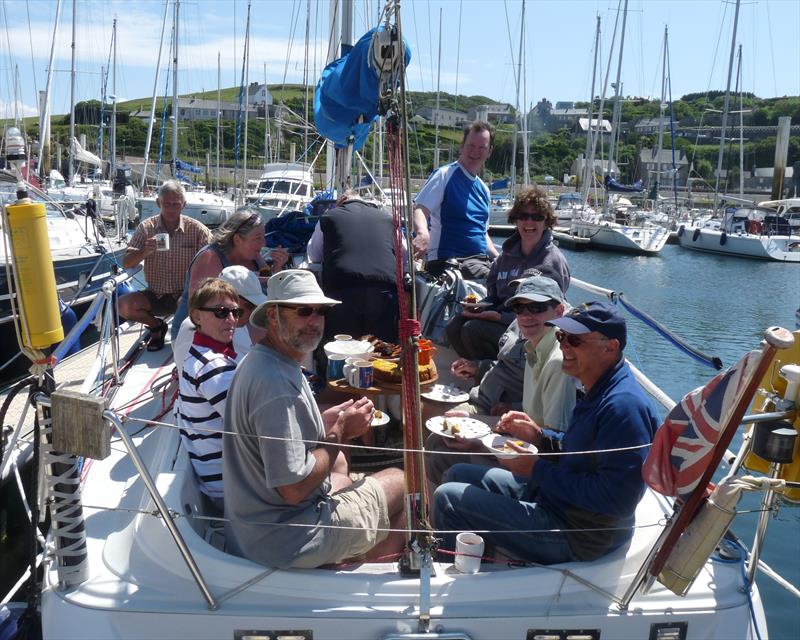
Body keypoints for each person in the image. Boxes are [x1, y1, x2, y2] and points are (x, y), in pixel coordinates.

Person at [434, 301, 658, 565]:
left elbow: (616, 500)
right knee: (459, 472)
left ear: (609, 347)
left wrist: (536, 469)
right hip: (558, 502)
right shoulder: (597, 386)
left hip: (580, 534)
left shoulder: (624, 408)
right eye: (561, 337)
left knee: (447, 498)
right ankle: (482, 558)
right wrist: (539, 437)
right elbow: (583, 453)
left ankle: (455, 580)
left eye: (574, 340)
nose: (563, 346)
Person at [223, 269, 406, 569]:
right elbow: (293, 490)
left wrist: (323, 422)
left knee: (342, 472)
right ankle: (365, 569)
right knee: (406, 480)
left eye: (320, 311)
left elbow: (279, 438)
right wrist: (340, 431)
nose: (314, 321)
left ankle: (351, 554)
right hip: (287, 539)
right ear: (272, 316)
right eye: (303, 310)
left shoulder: (263, 361)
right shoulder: (276, 385)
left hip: (255, 527)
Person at [425, 275, 575, 486]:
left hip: (536, 468)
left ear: (559, 311)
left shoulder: (557, 362)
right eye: (519, 309)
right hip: (521, 442)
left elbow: (550, 445)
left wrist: (480, 443)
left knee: (442, 459)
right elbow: (532, 420)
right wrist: (478, 425)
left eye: (536, 308)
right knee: (438, 439)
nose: (525, 316)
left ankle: (442, 514)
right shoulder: (534, 347)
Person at [445, 185, 571, 360]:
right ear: (515, 220)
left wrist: (499, 317)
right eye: (523, 216)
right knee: (454, 324)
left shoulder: (553, 261)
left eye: (537, 217)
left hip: (529, 327)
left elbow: (549, 312)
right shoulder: (506, 256)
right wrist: (478, 306)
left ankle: (494, 377)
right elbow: (493, 295)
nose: (529, 222)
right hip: (500, 316)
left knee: (472, 330)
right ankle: (475, 371)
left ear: (546, 222)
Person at [174, 277, 242, 514]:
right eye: (221, 312)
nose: (231, 320)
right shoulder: (213, 366)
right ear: (197, 317)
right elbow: (252, 428)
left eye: (236, 312)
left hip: (217, 482)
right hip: (234, 489)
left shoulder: (197, 354)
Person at [119, 180, 212, 351]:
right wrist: (144, 252)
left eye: (176, 204)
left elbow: (213, 259)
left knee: (192, 305)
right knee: (123, 305)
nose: (171, 209)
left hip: (184, 294)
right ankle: (156, 326)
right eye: (166, 204)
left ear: (183, 205)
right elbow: (126, 262)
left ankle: (186, 343)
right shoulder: (147, 228)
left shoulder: (197, 230)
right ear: (158, 203)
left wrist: (193, 289)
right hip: (155, 294)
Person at [170, 211, 289, 341]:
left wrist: (277, 267)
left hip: (236, 328)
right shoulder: (209, 258)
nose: (263, 243)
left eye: (263, 237)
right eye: (257, 238)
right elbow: (199, 307)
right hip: (195, 337)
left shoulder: (253, 257)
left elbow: (265, 288)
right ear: (237, 239)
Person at [306, 192, 402, 344]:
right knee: (383, 351)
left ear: (341, 202)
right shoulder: (387, 218)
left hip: (343, 290)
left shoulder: (329, 216)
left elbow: (314, 256)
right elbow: (404, 254)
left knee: (342, 349)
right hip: (383, 292)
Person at [412, 121, 500, 279]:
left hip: (480, 262)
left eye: (482, 147)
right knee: (496, 283)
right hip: (449, 263)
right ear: (461, 147)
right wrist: (422, 233)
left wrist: (500, 258)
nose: (475, 151)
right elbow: (420, 209)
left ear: (490, 152)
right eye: (471, 145)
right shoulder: (444, 175)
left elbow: (482, 233)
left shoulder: (484, 190)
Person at [172, 265, 267, 376]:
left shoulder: (234, 324)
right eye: (250, 306)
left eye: (256, 307)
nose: (252, 313)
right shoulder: (194, 330)